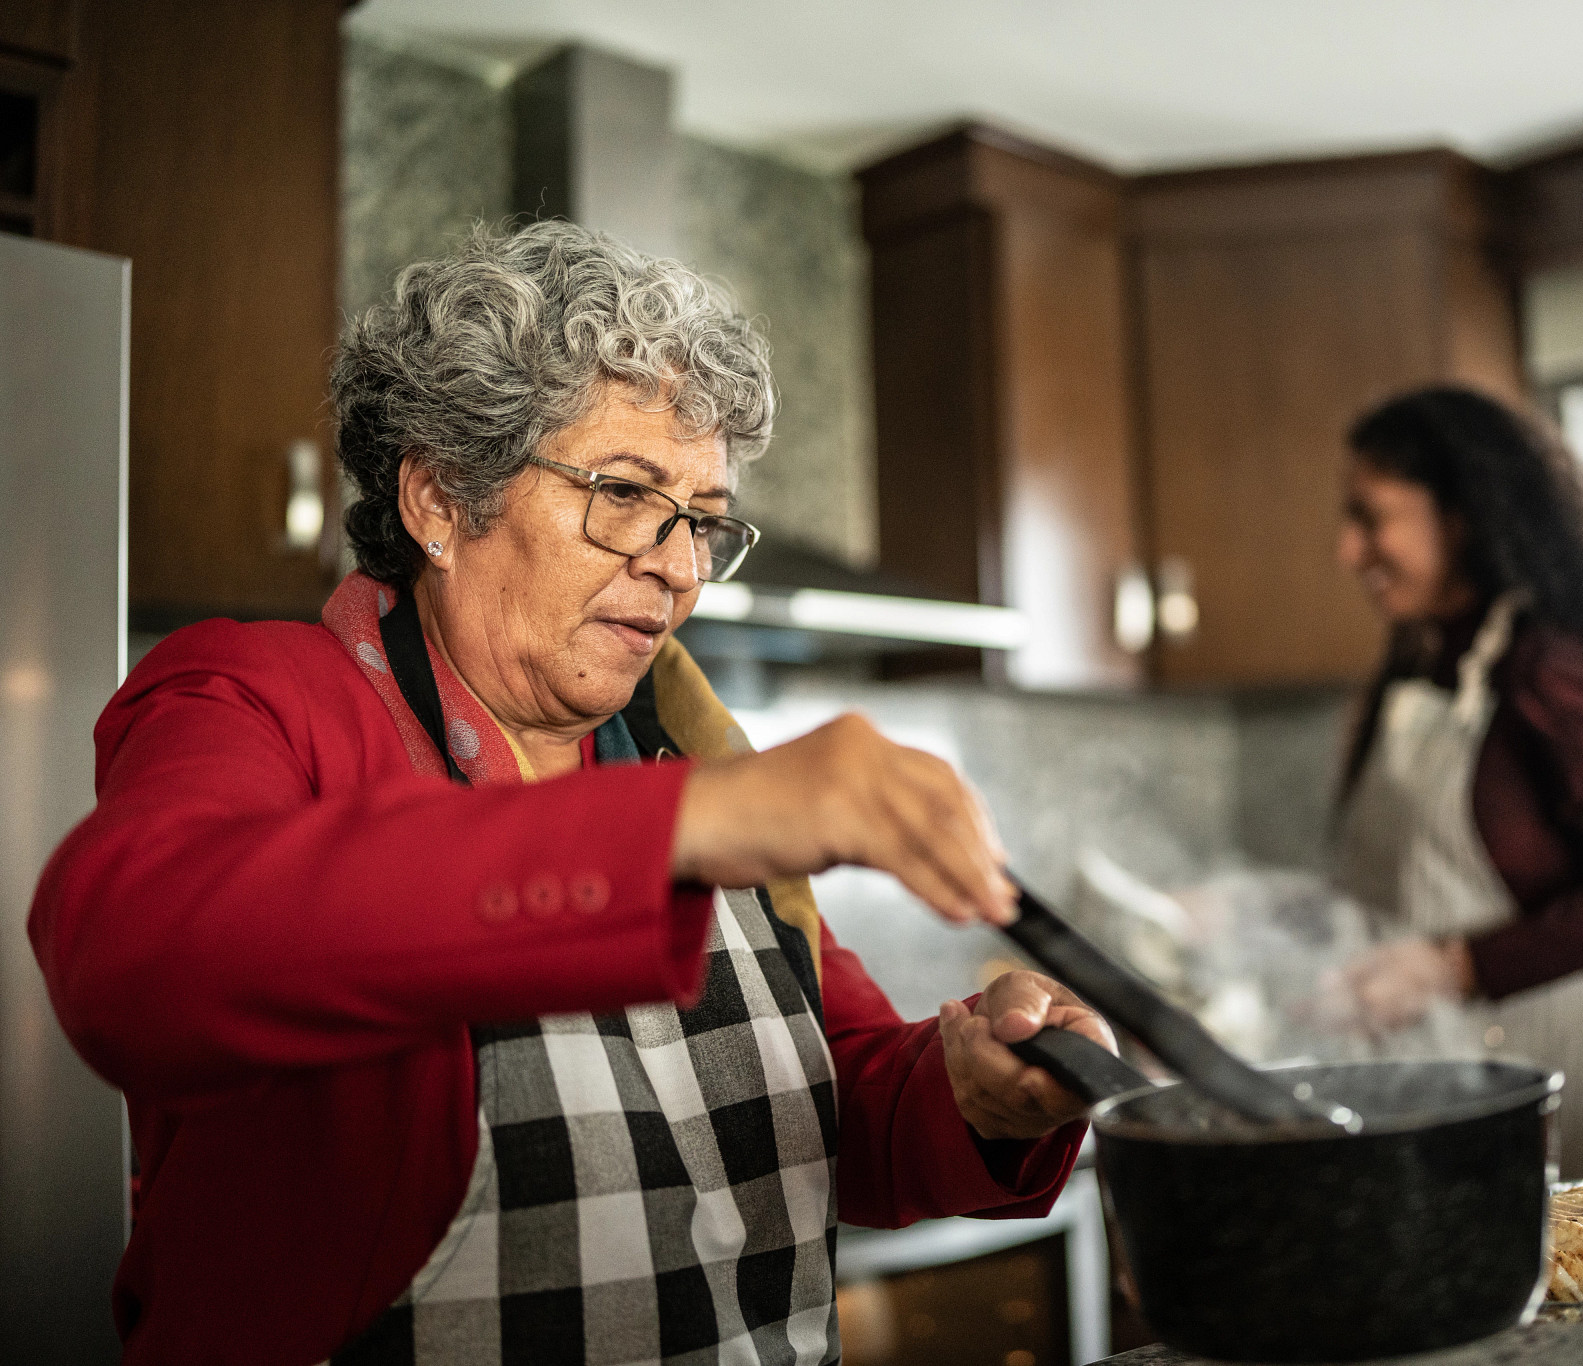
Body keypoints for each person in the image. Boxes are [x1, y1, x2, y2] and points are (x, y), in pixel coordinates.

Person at [30, 221, 1109, 1366]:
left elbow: (829, 1109)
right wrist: (693, 828)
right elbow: (125, 951)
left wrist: (974, 1096)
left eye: (699, 519)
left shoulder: (693, 757)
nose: (680, 567)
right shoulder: (260, 699)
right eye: (625, 493)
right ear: (441, 498)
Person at [1330, 385, 1583, 1177]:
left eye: (1370, 516)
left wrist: (1456, 968)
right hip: (1447, 1099)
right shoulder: (1427, 661)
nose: (1347, 551)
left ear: (1462, 514)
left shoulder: (1559, 661)